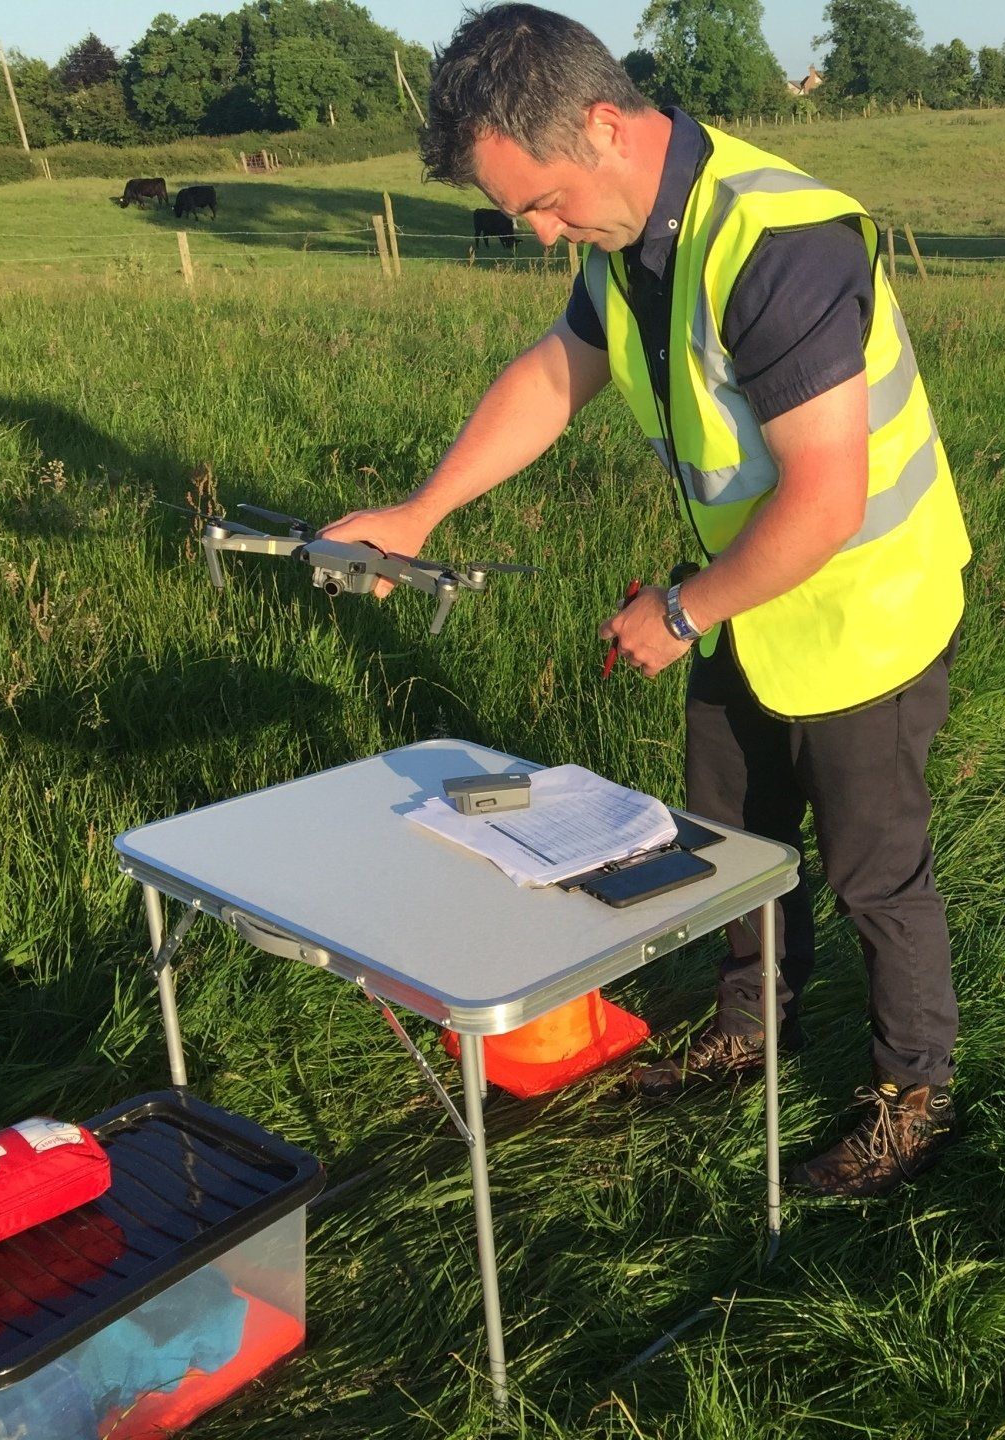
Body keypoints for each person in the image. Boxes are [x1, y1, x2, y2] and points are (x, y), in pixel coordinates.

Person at [321, 4, 970, 1197]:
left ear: (606, 127)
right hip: (747, 597)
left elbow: (825, 503)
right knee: (730, 840)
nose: (537, 233)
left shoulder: (780, 241)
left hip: (863, 606)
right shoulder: (621, 238)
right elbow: (555, 373)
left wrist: (679, 614)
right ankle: (749, 1025)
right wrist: (419, 514)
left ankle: (913, 1091)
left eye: (540, 204)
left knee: (874, 870)